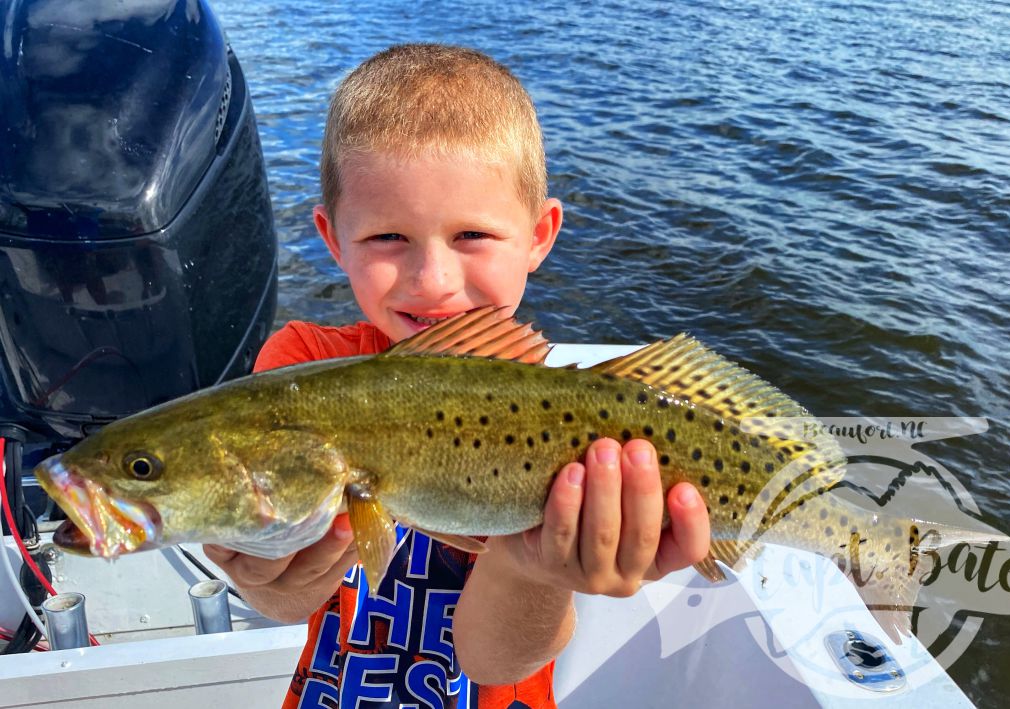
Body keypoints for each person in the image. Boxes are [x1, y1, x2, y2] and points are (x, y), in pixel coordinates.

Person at [204, 43, 711, 709]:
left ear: (539, 235)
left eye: (471, 234)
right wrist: (262, 560)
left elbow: (493, 660)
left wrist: (534, 562)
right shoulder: (298, 373)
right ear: (333, 238)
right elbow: (286, 599)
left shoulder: (567, 426)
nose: (434, 280)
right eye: (388, 238)